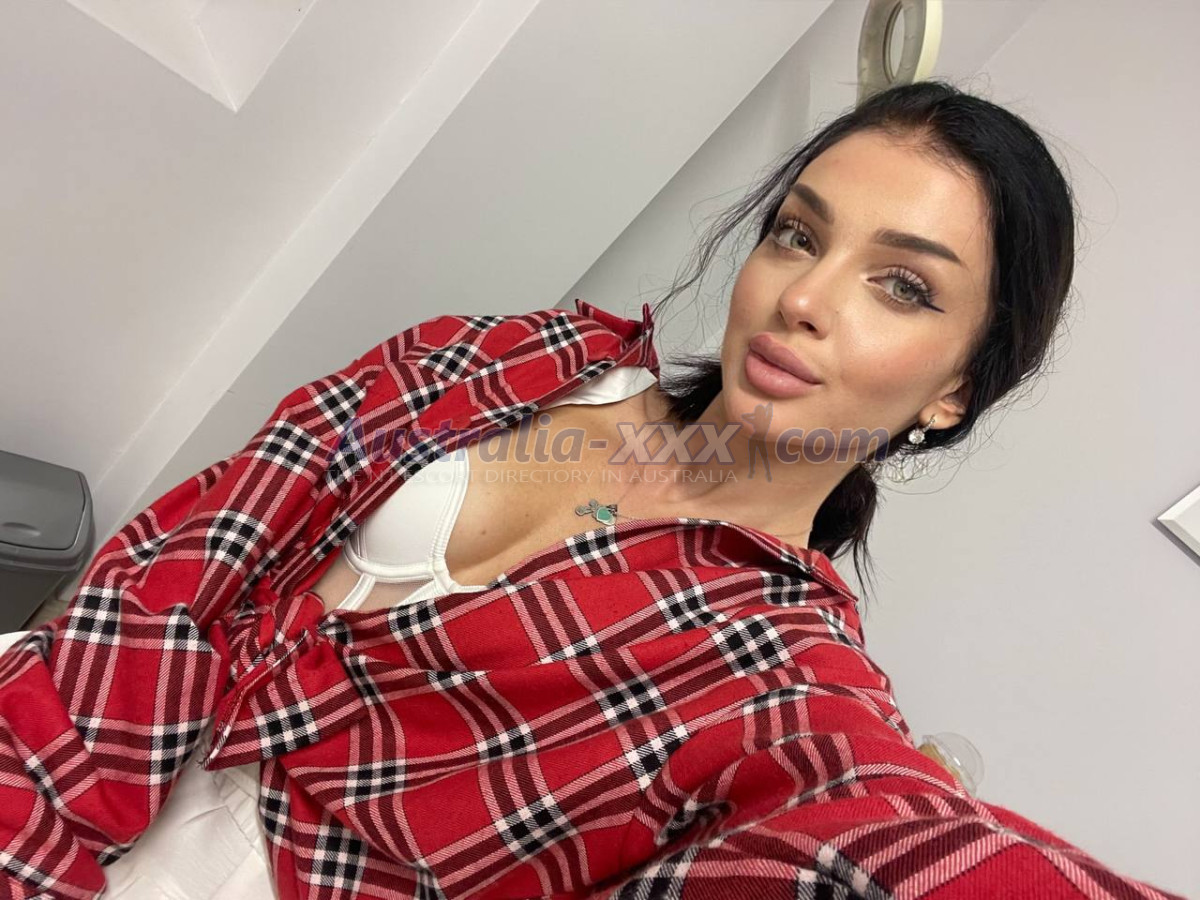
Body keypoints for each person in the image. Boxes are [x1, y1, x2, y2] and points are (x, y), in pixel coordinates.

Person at [0, 80, 1184, 900]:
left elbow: (893, 837)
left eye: (903, 287)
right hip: (56, 759)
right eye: (796, 233)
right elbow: (202, 551)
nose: (805, 297)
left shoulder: (795, 685)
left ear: (956, 390)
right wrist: (35, 826)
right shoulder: (518, 362)